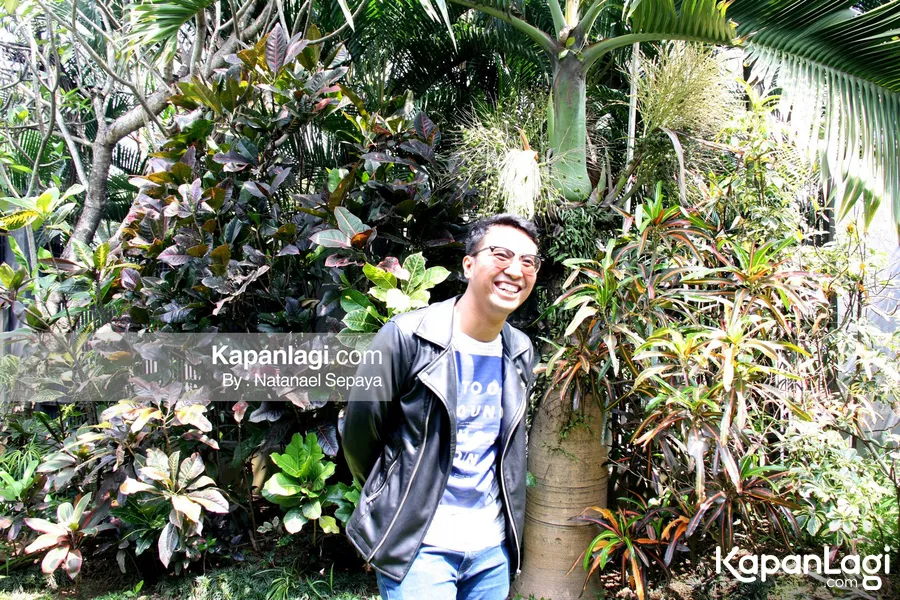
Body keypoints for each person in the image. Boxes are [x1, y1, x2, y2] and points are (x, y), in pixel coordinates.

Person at [340, 214, 541, 599]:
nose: (516, 270)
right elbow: (359, 438)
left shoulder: (519, 350)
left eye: (528, 261)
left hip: (491, 549)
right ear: (468, 265)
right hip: (420, 548)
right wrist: (397, 497)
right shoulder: (406, 337)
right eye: (501, 255)